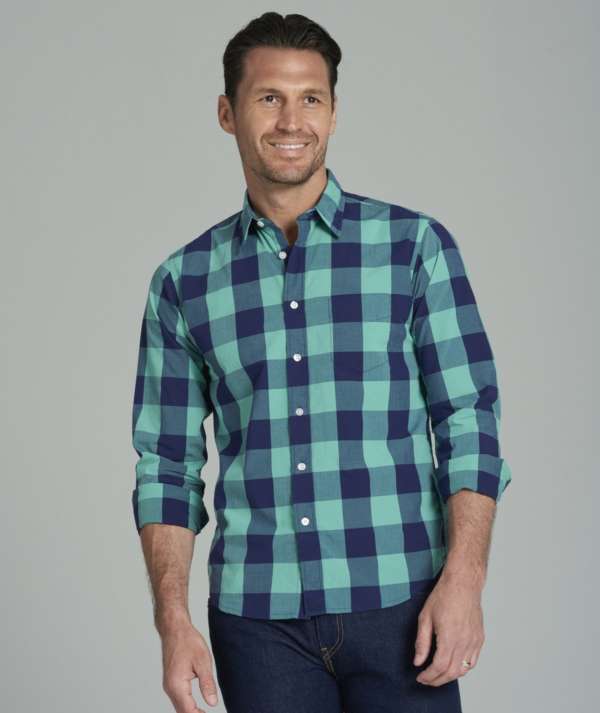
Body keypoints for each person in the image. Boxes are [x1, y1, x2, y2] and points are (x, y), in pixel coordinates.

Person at [130, 11, 512, 713]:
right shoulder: (185, 282)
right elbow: (165, 465)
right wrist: (173, 623)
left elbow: (468, 421)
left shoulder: (413, 248)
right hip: (258, 626)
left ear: (334, 113)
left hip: (402, 607)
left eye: (311, 98)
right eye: (268, 97)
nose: (291, 120)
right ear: (228, 113)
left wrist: (466, 580)